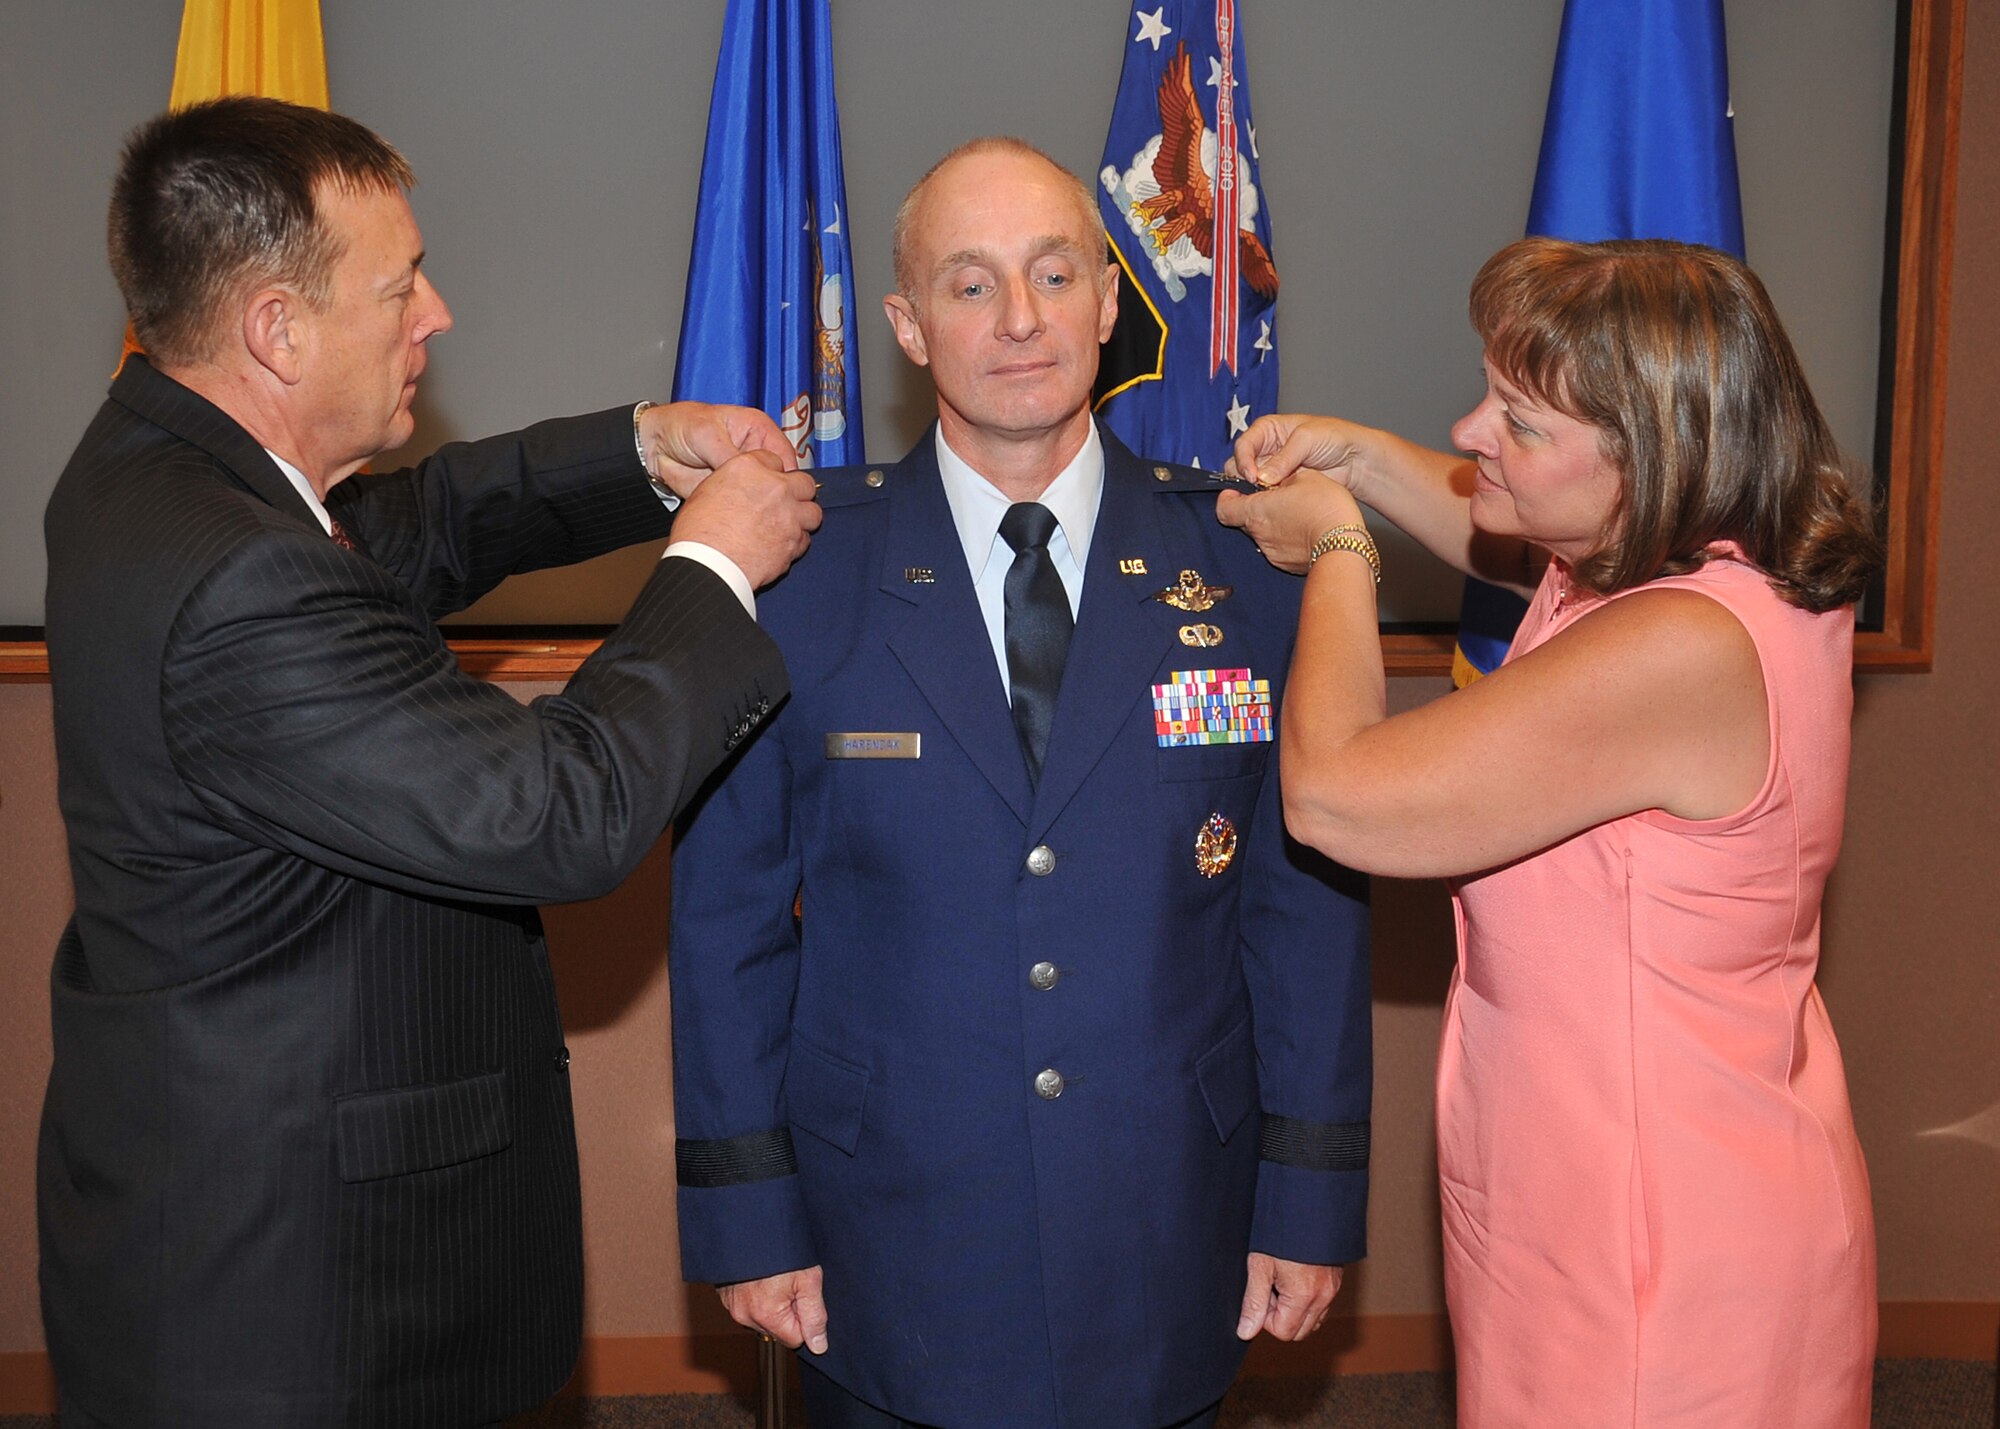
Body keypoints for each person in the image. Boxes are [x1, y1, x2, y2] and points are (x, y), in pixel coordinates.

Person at [38, 96, 821, 1428]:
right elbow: (559, 810)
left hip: (221, 1213)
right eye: (400, 286)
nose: (438, 312)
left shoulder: (158, 462)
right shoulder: (236, 577)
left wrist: (641, 450)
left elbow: (415, 527)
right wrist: (712, 565)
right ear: (276, 330)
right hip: (302, 1311)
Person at [667, 137, 1372, 1429]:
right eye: (971, 283)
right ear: (907, 325)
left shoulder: (1256, 564)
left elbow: (1303, 909)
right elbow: (726, 922)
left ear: (1113, 302)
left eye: (1055, 274)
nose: (1022, 320)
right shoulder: (795, 576)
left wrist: (1309, 1189)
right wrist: (744, 1208)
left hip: (1165, 1223)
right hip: (888, 1232)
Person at [1217, 236, 1881, 1428]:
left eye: (1518, 422)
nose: (1473, 434)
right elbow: (1499, 531)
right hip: (1615, 1170)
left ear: (1648, 462)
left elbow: (1339, 795)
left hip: (1659, 1244)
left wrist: (1337, 551)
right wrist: (1356, 457)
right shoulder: (1692, 562)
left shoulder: (1679, 648)